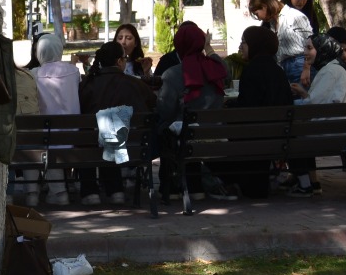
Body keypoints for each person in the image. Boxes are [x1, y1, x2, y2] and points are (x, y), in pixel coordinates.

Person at [156, 22, 232, 202]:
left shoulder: (172, 74)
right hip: (216, 133)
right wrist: (208, 48)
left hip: (185, 137)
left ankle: (173, 187)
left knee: (165, 129)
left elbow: (165, 111)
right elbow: (226, 71)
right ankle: (196, 186)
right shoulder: (216, 69)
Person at [78, 40, 157, 204]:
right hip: (133, 147)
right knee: (112, 134)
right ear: (119, 61)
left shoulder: (88, 83)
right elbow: (153, 105)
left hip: (93, 145)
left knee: (93, 136)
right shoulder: (134, 83)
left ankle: (90, 192)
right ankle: (115, 190)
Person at [222, 26, 293, 199]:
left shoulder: (252, 70)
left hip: (255, 136)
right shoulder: (278, 71)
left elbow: (247, 109)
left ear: (255, 45)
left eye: (244, 43)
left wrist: (229, 107)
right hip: (279, 136)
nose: (241, 47)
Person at [29, 33, 81, 205]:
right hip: (74, 134)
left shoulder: (34, 74)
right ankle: (60, 192)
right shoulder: (74, 71)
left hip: (47, 134)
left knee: (34, 141)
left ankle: (41, 193)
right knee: (50, 140)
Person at [249, 0, 315, 91]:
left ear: (264, 6)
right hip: (285, 67)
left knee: (303, 101)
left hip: (299, 63)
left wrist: (306, 68)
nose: (258, 18)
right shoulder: (272, 23)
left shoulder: (294, 16)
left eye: (257, 14)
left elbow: (311, 44)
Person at [302, 32, 346, 105]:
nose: (305, 52)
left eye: (309, 48)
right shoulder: (330, 68)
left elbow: (315, 105)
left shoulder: (330, 71)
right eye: (305, 48)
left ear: (322, 49)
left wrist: (301, 93)